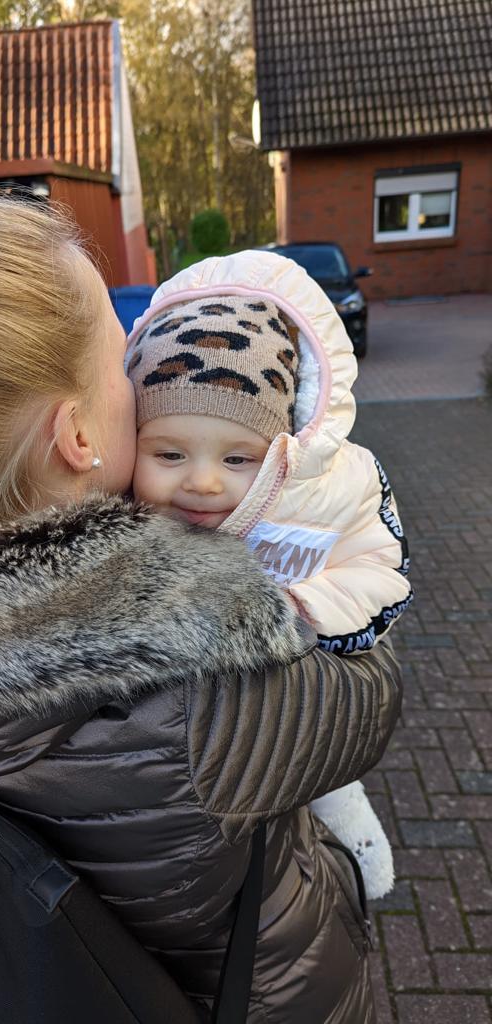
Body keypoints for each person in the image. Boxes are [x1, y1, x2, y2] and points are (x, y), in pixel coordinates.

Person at [0, 197, 401, 1023]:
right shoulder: (186, 694)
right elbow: (372, 688)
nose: (143, 382)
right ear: (77, 435)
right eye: (124, 358)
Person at [128, 254, 413, 901]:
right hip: (197, 741)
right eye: (168, 453)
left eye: (238, 459)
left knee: (324, 780)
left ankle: (355, 850)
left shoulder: (332, 491)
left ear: (287, 446)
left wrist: (295, 611)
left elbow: (380, 569)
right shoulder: (127, 503)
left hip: (296, 685)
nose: (202, 482)